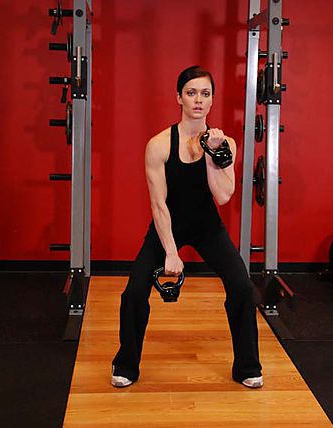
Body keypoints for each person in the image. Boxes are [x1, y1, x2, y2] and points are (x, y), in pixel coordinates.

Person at [111, 65, 263, 389]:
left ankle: (247, 367)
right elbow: (158, 204)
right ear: (178, 97)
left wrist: (212, 154)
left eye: (205, 94)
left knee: (243, 287)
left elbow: (223, 197)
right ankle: (126, 365)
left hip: (208, 226)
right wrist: (170, 252)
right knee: (134, 292)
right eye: (191, 93)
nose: (198, 100)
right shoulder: (159, 145)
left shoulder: (226, 144)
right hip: (168, 225)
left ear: (212, 100)